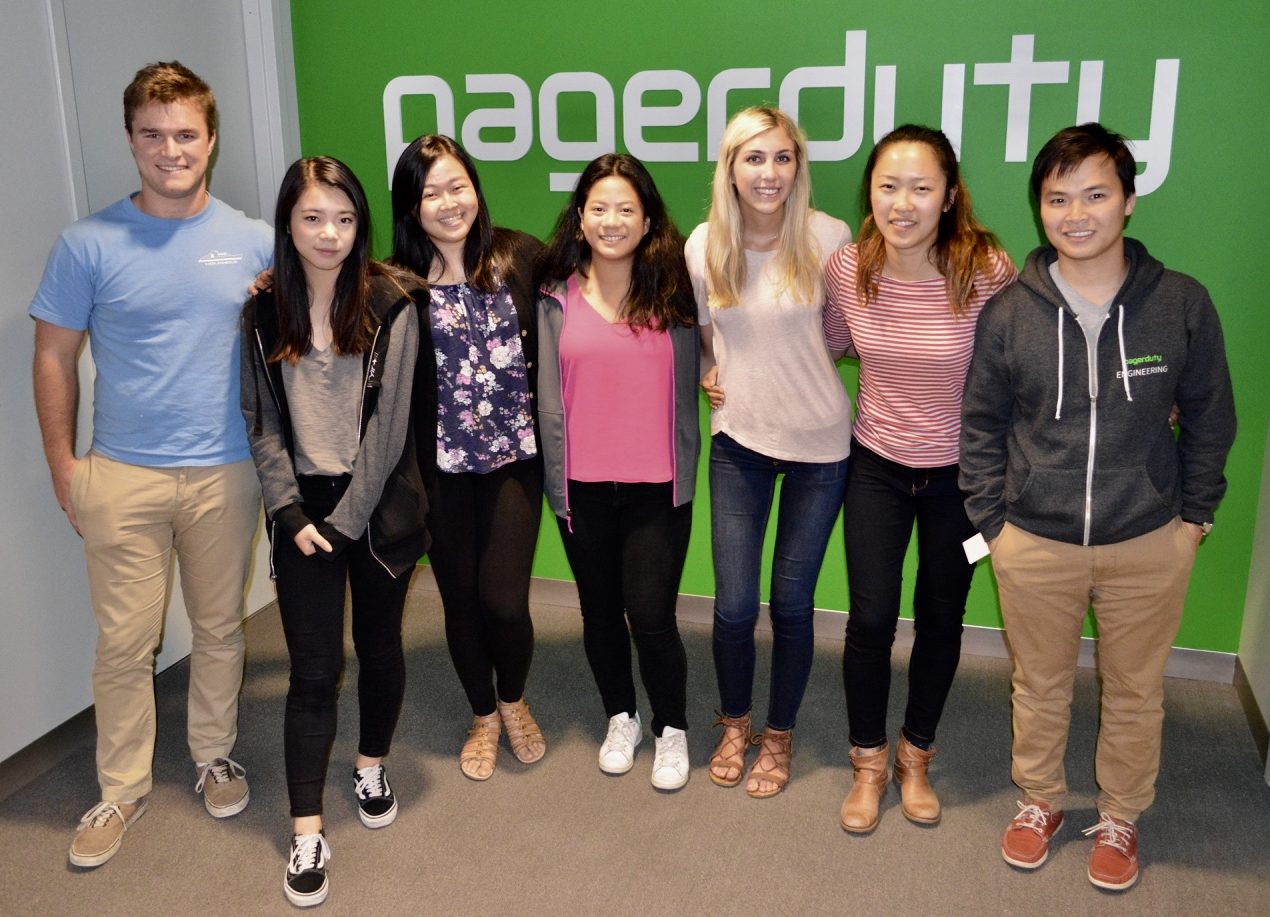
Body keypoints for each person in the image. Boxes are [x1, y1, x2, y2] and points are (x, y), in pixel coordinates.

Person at [959, 123, 1236, 890]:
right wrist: (994, 524)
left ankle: (1121, 812)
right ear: (1039, 207)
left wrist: (1194, 519)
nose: (1076, 214)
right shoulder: (1010, 312)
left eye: (1095, 195)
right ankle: (1040, 798)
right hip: (1033, 538)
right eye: (1058, 198)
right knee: (1038, 683)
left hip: (1149, 534)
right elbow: (979, 425)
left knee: (1136, 688)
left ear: (1129, 200)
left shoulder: (1180, 303)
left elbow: (1211, 415)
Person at [29, 61, 271, 868]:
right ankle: (122, 786)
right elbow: (53, 357)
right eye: (153, 135)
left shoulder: (253, 241)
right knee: (126, 643)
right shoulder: (87, 244)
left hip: (226, 471)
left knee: (219, 626)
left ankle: (213, 754)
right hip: (122, 474)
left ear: (211, 139)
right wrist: (63, 466)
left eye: (186, 134)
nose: (171, 150)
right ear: (131, 139)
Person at [241, 156, 427, 907]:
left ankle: (371, 763)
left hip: (375, 504)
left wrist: (346, 521)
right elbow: (260, 420)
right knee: (313, 671)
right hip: (300, 510)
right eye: (313, 217)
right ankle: (306, 828)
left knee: (380, 649)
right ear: (288, 223)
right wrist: (289, 513)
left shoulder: (391, 303)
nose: (330, 233)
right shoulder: (261, 311)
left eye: (345, 219)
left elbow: (390, 427)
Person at [823, 125, 1017, 833]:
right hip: (875, 466)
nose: (902, 203)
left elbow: (1024, 362)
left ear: (950, 196)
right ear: (870, 193)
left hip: (961, 480)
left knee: (941, 615)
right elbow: (825, 344)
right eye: (888, 186)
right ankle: (869, 761)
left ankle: (916, 755)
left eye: (921, 187)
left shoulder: (986, 269)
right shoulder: (849, 267)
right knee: (871, 618)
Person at [686, 106, 853, 798]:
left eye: (783, 158)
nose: (769, 172)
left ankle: (778, 734)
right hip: (739, 441)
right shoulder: (703, 244)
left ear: (797, 167)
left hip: (820, 443)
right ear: (730, 168)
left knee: (791, 604)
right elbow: (706, 335)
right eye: (754, 158)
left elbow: (843, 332)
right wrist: (710, 369)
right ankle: (735, 723)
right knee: (732, 606)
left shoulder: (828, 236)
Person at [537, 153, 700, 791]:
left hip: (658, 486)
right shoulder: (551, 297)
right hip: (580, 487)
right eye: (599, 208)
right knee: (600, 612)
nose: (612, 221)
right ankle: (621, 716)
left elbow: (728, 339)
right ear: (580, 218)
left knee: (651, 616)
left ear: (648, 219)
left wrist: (718, 368)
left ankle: (672, 727)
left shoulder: (676, 295)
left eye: (626, 209)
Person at [389, 135, 546, 781]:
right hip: (438, 470)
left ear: (476, 189)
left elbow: (605, 270)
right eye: (432, 193)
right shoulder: (393, 283)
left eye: (459, 186)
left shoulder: (521, 255)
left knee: (503, 599)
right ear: (412, 205)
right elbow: (321, 294)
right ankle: (483, 713)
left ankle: (513, 698)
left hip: (515, 458)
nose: (449, 202)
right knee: (460, 599)